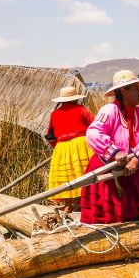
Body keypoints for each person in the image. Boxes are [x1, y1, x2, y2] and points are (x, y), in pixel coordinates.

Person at [81, 70, 139, 223]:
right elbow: (93, 133)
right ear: (123, 90)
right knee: (110, 213)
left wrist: (136, 160)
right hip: (108, 166)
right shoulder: (109, 111)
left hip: (133, 165)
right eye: (135, 88)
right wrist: (114, 153)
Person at [45, 85, 94, 213]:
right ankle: (86, 203)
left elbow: (50, 136)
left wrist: (57, 148)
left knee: (67, 176)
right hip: (81, 145)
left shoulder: (55, 114)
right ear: (76, 99)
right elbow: (95, 127)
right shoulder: (82, 110)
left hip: (61, 147)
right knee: (84, 173)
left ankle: (68, 206)